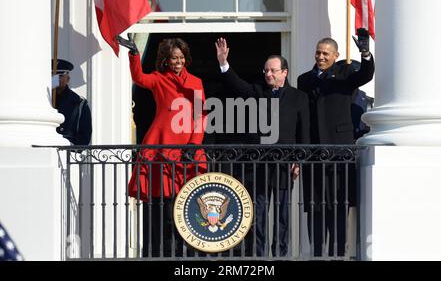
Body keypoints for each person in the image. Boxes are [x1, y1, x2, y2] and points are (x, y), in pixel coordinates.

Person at [215, 38, 310, 256]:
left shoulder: (299, 97)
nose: (268, 74)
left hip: (284, 164)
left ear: (284, 72)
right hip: (259, 165)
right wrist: (223, 63)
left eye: (273, 70)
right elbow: (236, 84)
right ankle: (258, 254)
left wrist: (299, 160)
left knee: (282, 214)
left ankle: (280, 254)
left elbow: (303, 132)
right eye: (266, 70)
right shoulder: (257, 91)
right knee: (258, 213)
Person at [117, 34, 207, 257]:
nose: (177, 61)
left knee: (184, 203)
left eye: (181, 57)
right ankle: (158, 252)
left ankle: (181, 251)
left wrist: (194, 146)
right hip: (161, 144)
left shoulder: (196, 83)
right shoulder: (158, 78)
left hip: (186, 147)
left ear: (185, 59)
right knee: (161, 206)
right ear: (166, 60)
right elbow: (139, 78)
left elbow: (200, 116)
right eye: (173, 58)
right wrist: (134, 54)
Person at [296, 28, 375, 257]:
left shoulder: (346, 73)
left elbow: (366, 75)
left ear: (336, 55)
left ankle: (338, 252)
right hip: (314, 151)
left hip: (339, 150)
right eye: (318, 53)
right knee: (314, 206)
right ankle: (317, 252)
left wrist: (365, 54)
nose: (321, 57)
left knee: (339, 205)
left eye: (326, 54)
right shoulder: (304, 80)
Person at [52, 59, 92, 145]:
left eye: (60, 76)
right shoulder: (42, 100)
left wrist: (68, 145)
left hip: (68, 153)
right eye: (53, 76)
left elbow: (84, 137)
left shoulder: (80, 103)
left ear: (68, 79)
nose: (56, 79)